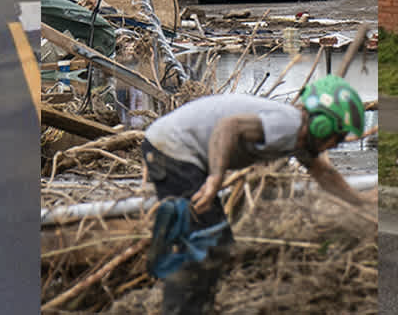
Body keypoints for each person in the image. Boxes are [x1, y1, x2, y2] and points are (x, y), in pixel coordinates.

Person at [141, 76, 373, 312]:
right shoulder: (289, 124)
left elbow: (325, 175)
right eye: (338, 136)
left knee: (216, 241)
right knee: (205, 239)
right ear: (321, 125)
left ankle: (198, 306)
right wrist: (215, 178)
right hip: (172, 148)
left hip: (173, 148)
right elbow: (228, 127)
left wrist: (362, 202)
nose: (335, 145)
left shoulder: (298, 138)